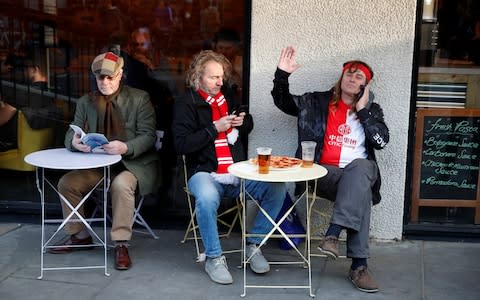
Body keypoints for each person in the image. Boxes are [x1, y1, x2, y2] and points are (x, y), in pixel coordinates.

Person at [271, 46, 389, 293]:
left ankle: (334, 235)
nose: (352, 78)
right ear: (341, 77)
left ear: (365, 87)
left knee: (361, 172)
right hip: (321, 173)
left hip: (355, 177)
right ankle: (358, 266)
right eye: (349, 73)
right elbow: (283, 102)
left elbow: (381, 142)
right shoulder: (315, 102)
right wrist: (282, 74)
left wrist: (363, 112)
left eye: (359, 77)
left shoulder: (372, 112)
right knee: (360, 185)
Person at [172, 50, 286, 284]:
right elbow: (181, 144)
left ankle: (253, 245)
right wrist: (214, 128)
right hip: (204, 171)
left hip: (237, 171)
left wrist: (243, 122)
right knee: (205, 197)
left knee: (277, 188)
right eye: (214, 77)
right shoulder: (186, 103)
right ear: (198, 77)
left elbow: (247, 124)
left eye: (221, 77)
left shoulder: (229, 97)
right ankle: (213, 257)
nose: (220, 82)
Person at [49, 51, 158, 271]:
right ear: (95, 78)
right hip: (97, 165)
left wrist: (126, 146)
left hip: (131, 164)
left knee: (121, 184)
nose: (105, 82)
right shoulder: (85, 102)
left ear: (120, 75)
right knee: (67, 183)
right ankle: (80, 236)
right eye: (101, 78)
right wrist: (75, 142)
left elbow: (149, 135)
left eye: (110, 77)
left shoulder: (139, 98)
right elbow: (71, 132)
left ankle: (120, 243)